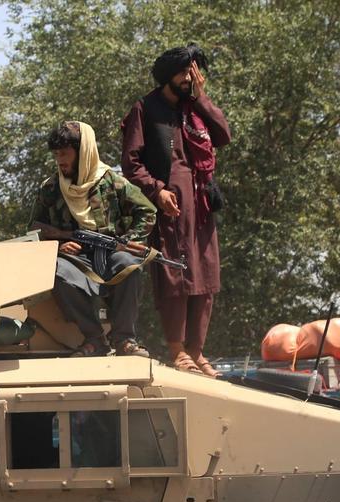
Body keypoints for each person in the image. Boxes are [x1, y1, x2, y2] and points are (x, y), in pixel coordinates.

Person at [122, 43, 230, 377]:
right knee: (176, 276)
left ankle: (197, 353)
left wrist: (201, 97)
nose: (190, 78)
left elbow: (223, 135)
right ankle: (178, 351)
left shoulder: (194, 107)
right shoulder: (145, 108)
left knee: (206, 276)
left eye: (195, 71)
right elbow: (131, 163)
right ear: (169, 75)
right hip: (171, 204)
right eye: (185, 72)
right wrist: (157, 191)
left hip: (201, 200)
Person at [30, 121, 157, 357]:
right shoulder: (51, 188)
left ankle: (124, 340)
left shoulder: (111, 182)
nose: (60, 160)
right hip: (74, 259)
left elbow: (147, 211)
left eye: (65, 153)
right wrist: (59, 245)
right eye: (57, 154)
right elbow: (34, 229)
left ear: (83, 152)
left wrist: (129, 240)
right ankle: (94, 339)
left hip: (111, 253)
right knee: (56, 271)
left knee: (129, 266)